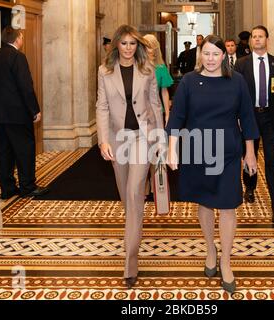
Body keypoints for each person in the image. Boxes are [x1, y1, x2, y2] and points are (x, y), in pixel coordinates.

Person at [166, 35, 259, 294]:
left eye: (215, 54)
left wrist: (249, 152)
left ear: (223, 56)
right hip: (198, 150)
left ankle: (226, 261)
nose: (210, 58)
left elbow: (247, 117)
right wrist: (171, 149)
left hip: (229, 151)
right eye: (205, 53)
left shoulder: (236, 81)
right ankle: (210, 248)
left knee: (229, 205)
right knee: (205, 202)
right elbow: (177, 117)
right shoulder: (188, 82)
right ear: (200, 55)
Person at [96, 25, 164, 289]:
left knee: (135, 192)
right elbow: (101, 106)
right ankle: (134, 231)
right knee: (127, 199)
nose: (127, 48)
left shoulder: (148, 71)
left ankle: (130, 262)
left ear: (137, 46)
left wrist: (159, 139)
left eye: (132, 44)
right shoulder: (104, 71)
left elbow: (155, 105)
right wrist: (102, 140)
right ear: (116, 46)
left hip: (141, 138)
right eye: (123, 44)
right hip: (116, 140)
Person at [235, 25, 274, 223]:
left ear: (267, 39)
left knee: (272, 160)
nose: (257, 39)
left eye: (261, 36)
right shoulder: (241, 64)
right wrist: (237, 118)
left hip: (271, 118)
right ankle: (250, 187)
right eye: (254, 37)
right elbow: (236, 94)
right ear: (251, 41)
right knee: (248, 154)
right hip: (249, 117)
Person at [0, 27, 49, 199]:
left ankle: (7, 188)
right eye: (22, 37)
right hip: (17, 115)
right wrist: (35, 110)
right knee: (25, 150)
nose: (22, 40)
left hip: (0, 114)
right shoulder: (18, 57)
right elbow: (25, 86)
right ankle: (28, 187)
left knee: (5, 151)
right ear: (17, 39)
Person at [143, 34, 174, 125]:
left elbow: (164, 92)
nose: (147, 50)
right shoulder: (136, 66)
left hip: (155, 108)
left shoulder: (161, 67)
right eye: (144, 46)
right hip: (139, 109)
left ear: (155, 50)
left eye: (150, 47)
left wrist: (167, 115)